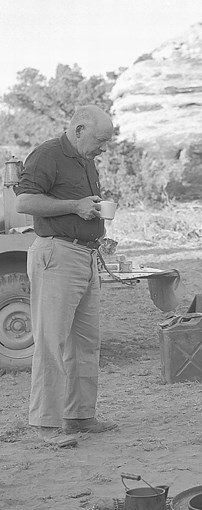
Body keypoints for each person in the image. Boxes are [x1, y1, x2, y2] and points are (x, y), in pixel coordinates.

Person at [15, 105, 117, 448]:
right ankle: (46, 424)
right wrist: (75, 207)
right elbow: (25, 202)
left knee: (86, 342)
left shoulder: (86, 160)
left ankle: (79, 415)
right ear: (79, 130)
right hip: (57, 254)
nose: (104, 147)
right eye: (100, 139)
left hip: (85, 255)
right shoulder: (47, 155)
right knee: (51, 342)